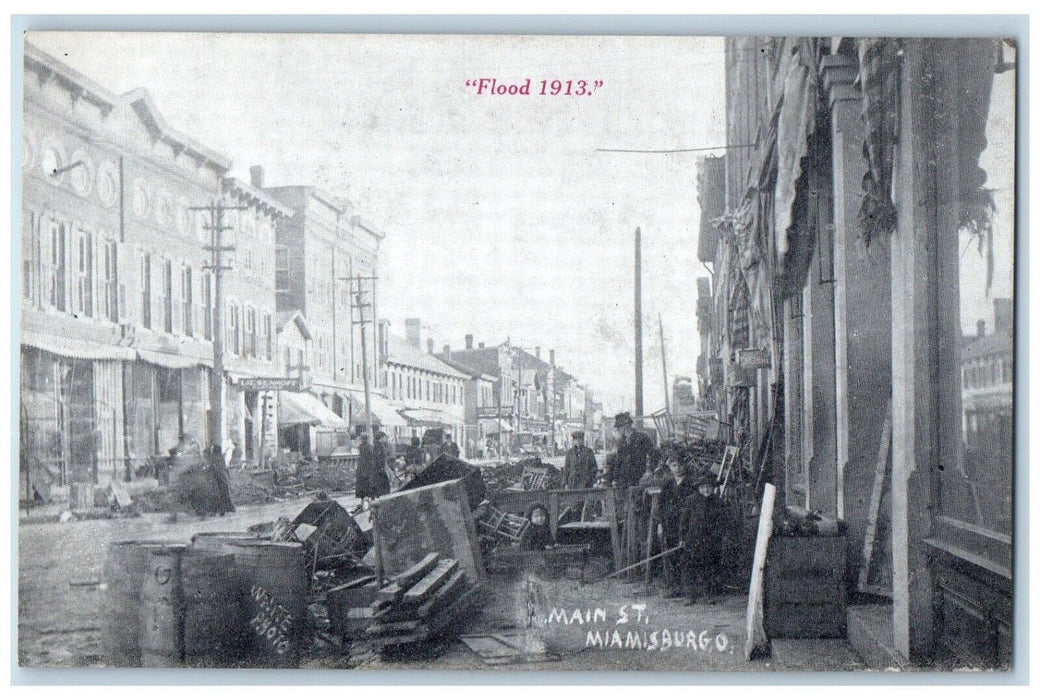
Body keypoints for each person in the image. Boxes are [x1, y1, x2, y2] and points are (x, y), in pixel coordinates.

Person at [680, 470, 726, 604]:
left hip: (711, 540)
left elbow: (722, 521)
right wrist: (682, 538)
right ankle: (690, 595)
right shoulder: (691, 500)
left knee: (709, 567)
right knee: (690, 567)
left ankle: (708, 594)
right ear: (698, 488)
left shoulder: (717, 502)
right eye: (703, 487)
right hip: (693, 540)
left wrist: (720, 537)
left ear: (713, 488)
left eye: (709, 486)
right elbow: (684, 521)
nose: (706, 489)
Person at [608, 412, 657, 490]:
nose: (617, 430)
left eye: (618, 428)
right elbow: (618, 463)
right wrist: (615, 480)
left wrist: (650, 471)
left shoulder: (642, 438)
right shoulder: (621, 443)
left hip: (640, 481)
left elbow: (654, 456)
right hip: (624, 484)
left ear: (625, 426)